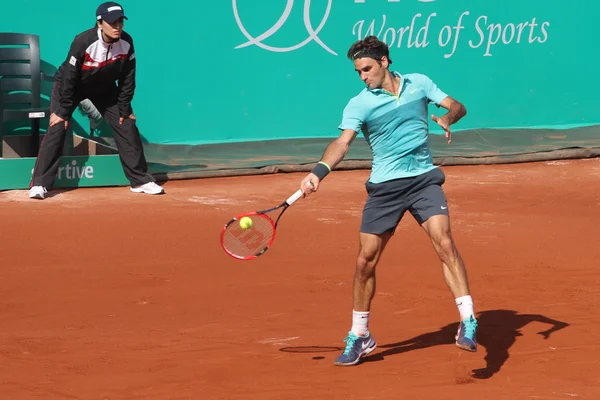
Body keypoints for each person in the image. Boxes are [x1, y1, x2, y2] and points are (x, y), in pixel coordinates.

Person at [299, 36, 477, 367]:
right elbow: (342, 143)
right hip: (385, 187)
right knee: (365, 261)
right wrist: (318, 172)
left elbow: (457, 105)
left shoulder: (420, 84)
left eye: (366, 68)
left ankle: (468, 321)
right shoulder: (359, 104)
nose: (363, 76)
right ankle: (360, 335)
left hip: (424, 179)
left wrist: (447, 119)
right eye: (357, 72)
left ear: (384, 62)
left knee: (445, 243)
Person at [28, 1, 164, 199]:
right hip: (71, 86)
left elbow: (128, 77)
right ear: (100, 23)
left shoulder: (127, 42)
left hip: (104, 88)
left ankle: (141, 181)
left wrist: (124, 108)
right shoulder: (83, 41)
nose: (117, 26)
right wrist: (63, 110)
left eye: (120, 21)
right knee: (58, 125)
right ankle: (40, 184)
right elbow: (69, 77)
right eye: (112, 22)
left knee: (126, 124)